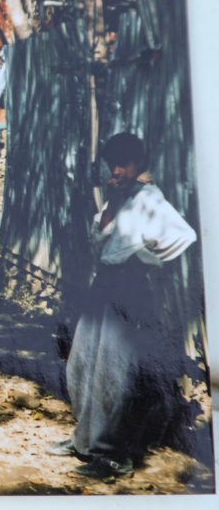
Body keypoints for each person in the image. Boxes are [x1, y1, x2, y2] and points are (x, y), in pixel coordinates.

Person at [48, 132, 196, 478]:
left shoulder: (150, 197)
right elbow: (99, 238)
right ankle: (84, 440)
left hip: (130, 289)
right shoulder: (117, 197)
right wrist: (114, 201)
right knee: (83, 364)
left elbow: (182, 237)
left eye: (124, 163)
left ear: (137, 164)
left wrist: (145, 261)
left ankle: (115, 455)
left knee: (114, 372)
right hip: (105, 285)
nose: (117, 169)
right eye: (112, 163)